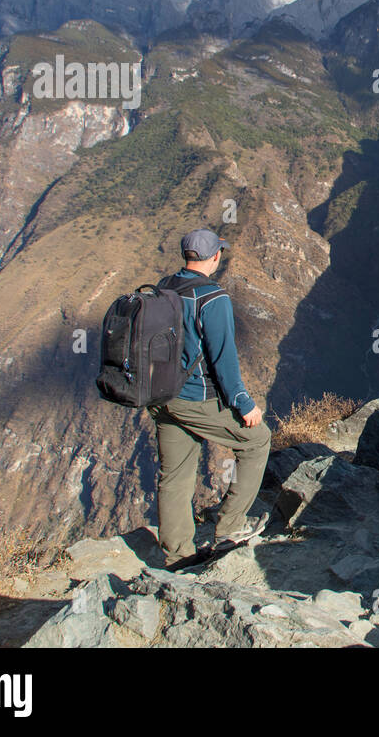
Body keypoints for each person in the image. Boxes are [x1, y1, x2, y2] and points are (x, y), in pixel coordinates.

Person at [149, 228, 270, 569]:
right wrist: (244, 404)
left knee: (174, 474)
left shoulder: (164, 287)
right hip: (194, 398)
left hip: (160, 396)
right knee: (257, 441)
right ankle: (229, 530)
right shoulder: (213, 299)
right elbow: (223, 360)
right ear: (215, 257)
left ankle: (177, 556)